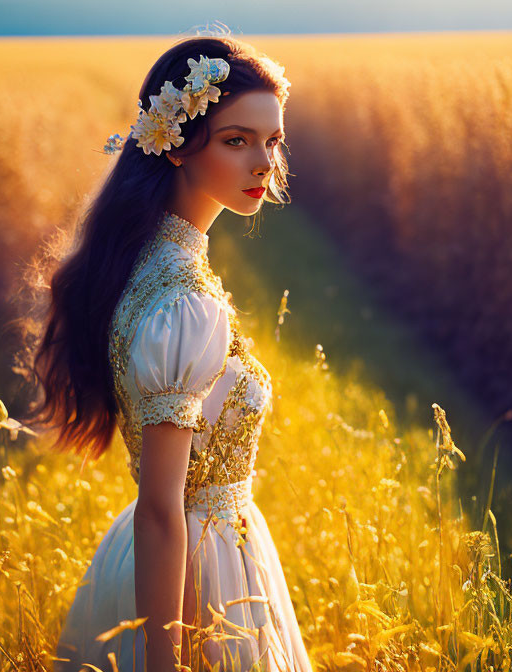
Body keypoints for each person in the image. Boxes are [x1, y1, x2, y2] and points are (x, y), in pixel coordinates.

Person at [18, 32, 314, 672]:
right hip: (198, 576)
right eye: (237, 140)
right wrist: (167, 660)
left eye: (272, 140)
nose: (263, 162)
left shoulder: (144, 262)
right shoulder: (184, 300)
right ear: (177, 146)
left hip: (165, 558)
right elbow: (161, 509)